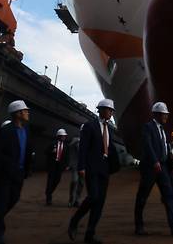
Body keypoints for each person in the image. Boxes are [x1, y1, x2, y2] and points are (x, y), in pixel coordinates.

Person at [134, 102, 173, 236]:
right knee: (142, 196)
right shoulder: (148, 127)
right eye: (164, 114)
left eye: (166, 114)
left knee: (169, 195)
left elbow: (164, 147)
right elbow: (148, 145)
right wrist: (154, 161)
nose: (166, 117)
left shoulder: (163, 130)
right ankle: (139, 226)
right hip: (150, 167)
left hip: (163, 167)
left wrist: (169, 159)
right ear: (157, 115)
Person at [68, 99, 120, 244]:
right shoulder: (89, 126)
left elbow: (109, 148)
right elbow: (83, 148)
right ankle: (74, 220)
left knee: (100, 203)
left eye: (112, 111)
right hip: (91, 168)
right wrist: (81, 167)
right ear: (101, 110)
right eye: (109, 110)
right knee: (93, 197)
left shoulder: (108, 128)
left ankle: (90, 234)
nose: (111, 113)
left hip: (104, 169)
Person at [0, 101, 33, 244]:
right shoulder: (6, 131)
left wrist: (26, 169)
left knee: (14, 198)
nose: (27, 113)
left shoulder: (26, 130)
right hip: (4, 173)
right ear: (18, 113)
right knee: (1, 202)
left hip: (18, 173)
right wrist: (6, 165)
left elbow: (26, 151)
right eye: (25, 111)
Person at [45, 128, 70, 205]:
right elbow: (45, 151)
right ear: (59, 136)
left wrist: (66, 165)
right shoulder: (52, 144)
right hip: (52, 165)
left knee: (57, 180)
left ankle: (49, 192)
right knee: (50, 181)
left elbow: (66, 157)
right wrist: (51, 152)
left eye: (65, 136)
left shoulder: (66, 146)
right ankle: (49, 197)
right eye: (63, 136)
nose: (64, 137)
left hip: (60, 166)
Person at [68, 134, 84, 207]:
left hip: (83, 166)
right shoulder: (76, 141)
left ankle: (77, 200)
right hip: (75, 166)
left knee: (81, 183)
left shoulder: (86, 141)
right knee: (75, 181)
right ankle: (72, 200)